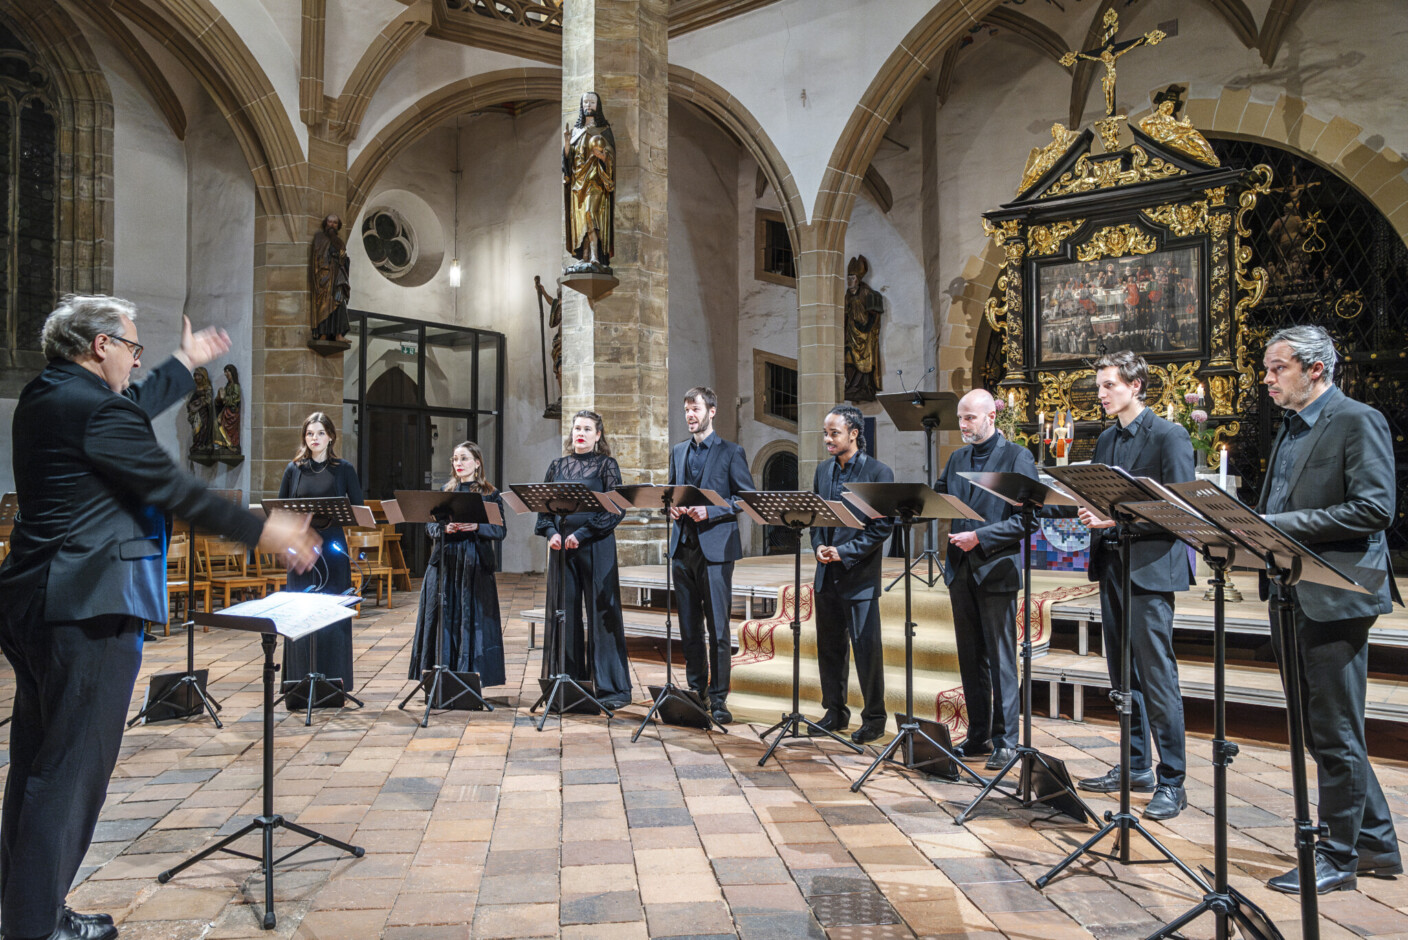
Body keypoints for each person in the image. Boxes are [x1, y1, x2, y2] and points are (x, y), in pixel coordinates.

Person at [0, 295, 318, 940]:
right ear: (101, 347)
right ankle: (34, 926)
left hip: (39, 602)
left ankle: (28, 910)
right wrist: (266, 530)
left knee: (39, 763)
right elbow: (173, 491)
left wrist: (181, 364)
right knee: (70, 773)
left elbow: (127, 407)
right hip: (90, 606)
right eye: (132, 348)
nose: (134, 359)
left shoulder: (48, 396)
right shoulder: (91, 407)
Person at [1257, 326, 1402, 894]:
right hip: (1292, 589)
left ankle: (1339, 858)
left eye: (1278, 368)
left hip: (1338, 592)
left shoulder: (1356, 419)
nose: (1267, 379)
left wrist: (1279, 528)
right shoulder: (1292, 427)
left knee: (1335, 732)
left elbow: (1375, 507)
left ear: (1315, 369)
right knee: (1320, 731)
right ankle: (1376, 844)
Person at [1077, 350, 1193, 821]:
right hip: (1112, 566)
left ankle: (1173, 780)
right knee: (1121, 675)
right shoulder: (1106, 439)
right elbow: (1099, 495)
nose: (1100, 394)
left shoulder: (1169, 436)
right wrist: (1089, 511)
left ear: (1136, 385)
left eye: (1108, 385)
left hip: (1150, 568)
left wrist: (1112, 518)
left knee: (1156, 676)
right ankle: (1135, 765)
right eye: (1100, 385)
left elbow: (1181, 512)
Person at [934, 389, 1040, 769]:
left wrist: (981, 537)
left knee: (1001, 659)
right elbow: (941, 499)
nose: (963, 425)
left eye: (970, 418)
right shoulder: (957, 458)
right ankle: (978, 735)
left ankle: (1006, 740)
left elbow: (1028, 519)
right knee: (970, 658)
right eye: (960, 418)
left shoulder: (1016, 457)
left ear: (991, 417)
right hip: (960, 571)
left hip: (995, 569)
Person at [669, 386, 755, 725]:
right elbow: (673, 492)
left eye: (696, 409)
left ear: (712, 411)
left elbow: (746, 498)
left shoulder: (732, 452)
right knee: (689, 628)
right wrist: (672, 511)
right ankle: (695, 692)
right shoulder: (677, 451)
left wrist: (713, 512)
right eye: (687, 410)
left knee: (718, 628)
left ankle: (719, 698)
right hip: (683, 548)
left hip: (716, 550)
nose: (690, 415)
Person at [534, 411, 632, 708]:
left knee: (602, 613)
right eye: (577, 428)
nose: (581, 433)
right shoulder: (557, 466)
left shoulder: (606, 466)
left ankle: (610, 689)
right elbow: (543, 509)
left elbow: (616, 507)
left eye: (587, 429)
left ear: (598, 435)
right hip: (562, 546)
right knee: (564, 613)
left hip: (596, 545)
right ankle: (568, 682)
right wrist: (551, 532)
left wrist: (585, 533)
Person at [809, 404, 894, 744]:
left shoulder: (878, 473)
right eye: (826, 433)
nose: (828, 439)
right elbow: (814, 516)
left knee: (866, 649)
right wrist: (818, 547)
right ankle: (835, 711)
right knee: (829, 648)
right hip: (825, 573)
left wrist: (844, 552)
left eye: (834, 433)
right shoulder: (822, 470)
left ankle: (874, 718)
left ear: (854, 434)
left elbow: (881, 528)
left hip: (858, 575)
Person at [278, 412, 364, 696]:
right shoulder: (294, 470)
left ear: (331, 437)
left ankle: (334, 681)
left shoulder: (344, 469)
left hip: (332, 548)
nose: (314, 439)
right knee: (299, 613)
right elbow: (281, 510)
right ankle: (298, 682)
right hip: (302, 548)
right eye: (309, 434)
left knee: (332, 612)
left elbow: (358, 509)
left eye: (320, 433)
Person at [408, 441, 506, 688]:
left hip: (474, 564)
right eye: (455, 459)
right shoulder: (445, 491)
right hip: (445, 563)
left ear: (477, 462)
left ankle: (470, 677)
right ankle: (441, 676)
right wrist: (444, 527)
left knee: (472, 619)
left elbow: (500, 530)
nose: (458, 463)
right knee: (442, 618)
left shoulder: (490, 494)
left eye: (463, 458)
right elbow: (429, 527)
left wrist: (476, 526)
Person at [562, 92, 615, 272]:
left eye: (592, 102)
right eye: (585, 102)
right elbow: (568, 161)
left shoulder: (604, 131)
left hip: (595, 182)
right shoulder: (576, 132)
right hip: (578, 184)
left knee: (591, 215)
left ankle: (595, 256)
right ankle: (584, 256)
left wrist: (602, 156)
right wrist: (567, 144)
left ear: (597, 105)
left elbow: (610, 158)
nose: (588, 105)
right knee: (582, 220)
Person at [309, 213, 350, 342]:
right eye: (330, 222)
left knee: (339, 302)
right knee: (324, 304)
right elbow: (316, 257)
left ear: (338, 226)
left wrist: (343, 258)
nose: (332, 225)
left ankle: (339, 335)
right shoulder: (319, 238)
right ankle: (323, 334)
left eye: (335, 223)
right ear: (325, 224)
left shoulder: (339, 241)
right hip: (325, 278)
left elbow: (344, 260)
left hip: (338, 278)